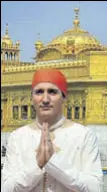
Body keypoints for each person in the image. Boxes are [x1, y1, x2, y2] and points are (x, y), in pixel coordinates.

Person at [1, 68, 103, 192]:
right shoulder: (18, 137)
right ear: (31, 98)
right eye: (39, 92)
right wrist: (37, 166)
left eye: (52, 92)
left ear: (64, 97)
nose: (45, 99)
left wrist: (52, 162)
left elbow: (95, 188)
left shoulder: (83, 136)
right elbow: (6, 188)